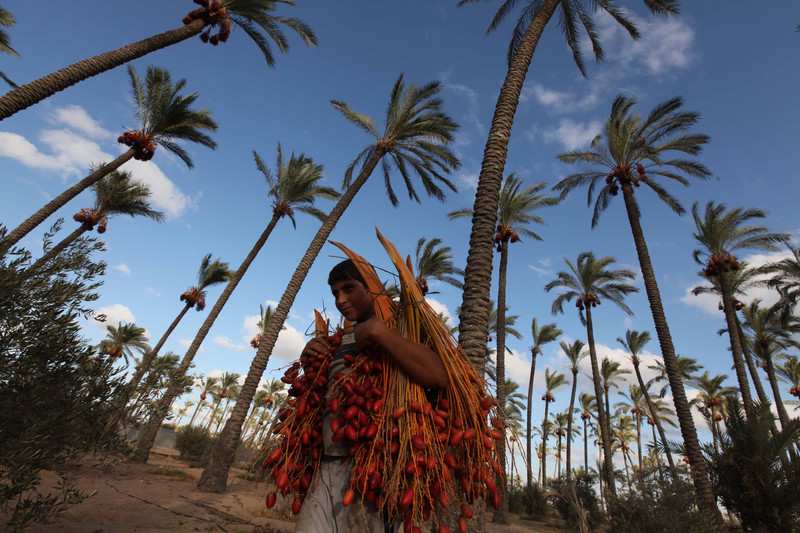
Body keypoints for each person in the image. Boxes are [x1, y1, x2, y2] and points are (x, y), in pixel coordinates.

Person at [294, 259, 447, 533]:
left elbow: (438, 376)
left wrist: (378, 333)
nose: (340, 300)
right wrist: (311, 361)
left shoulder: (402, 329)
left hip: (372, 469)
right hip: (327, 464)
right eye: (335, 294)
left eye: (348, 289)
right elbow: (323, 399)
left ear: (372, 288)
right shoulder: (338, 341)